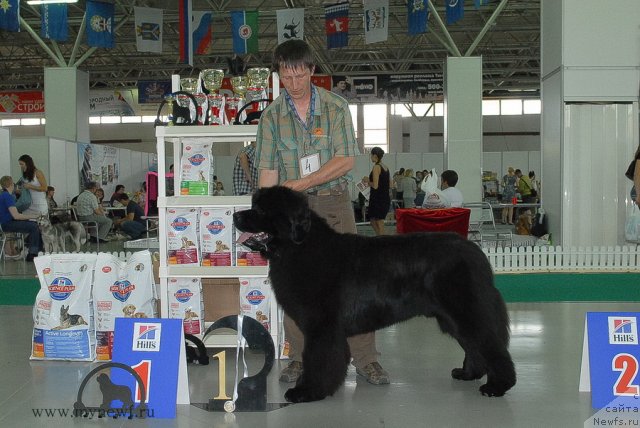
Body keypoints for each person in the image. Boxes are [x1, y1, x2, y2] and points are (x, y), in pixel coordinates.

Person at [255, 39, 389, 386]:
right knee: (293, 285)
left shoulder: (335, 107)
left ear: (312, 71)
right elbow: (268, 174)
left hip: (332, 202)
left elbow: (346, 159)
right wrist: (265, 214)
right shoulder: (270, 118)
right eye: (286, 75)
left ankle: (366, 359)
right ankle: (300, 359)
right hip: (291, 211)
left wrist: (302, 183)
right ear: (279, 74)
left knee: (352, 284)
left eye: (300, 75)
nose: (294, 83)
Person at [0, 175, 41, 261]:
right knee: (34, 226)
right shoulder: (7, 196)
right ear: (11, 184)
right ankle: (32, 254)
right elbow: (16, 216)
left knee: (32, 224)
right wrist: (34, 216)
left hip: (4, 224)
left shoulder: (3, 195)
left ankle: (29, 248)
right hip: (7, 224)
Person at [367, 147, 390, 235]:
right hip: (384, 197)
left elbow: (375, 186)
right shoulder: (386, 167)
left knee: (379, 221)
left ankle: (383, 241)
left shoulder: (376, 167)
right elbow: (391, 184)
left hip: (378, 198)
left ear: (375, 155)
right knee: (373, 220)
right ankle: (379, 238)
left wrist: (367, 181)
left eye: (371, 155)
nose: (370, 157)